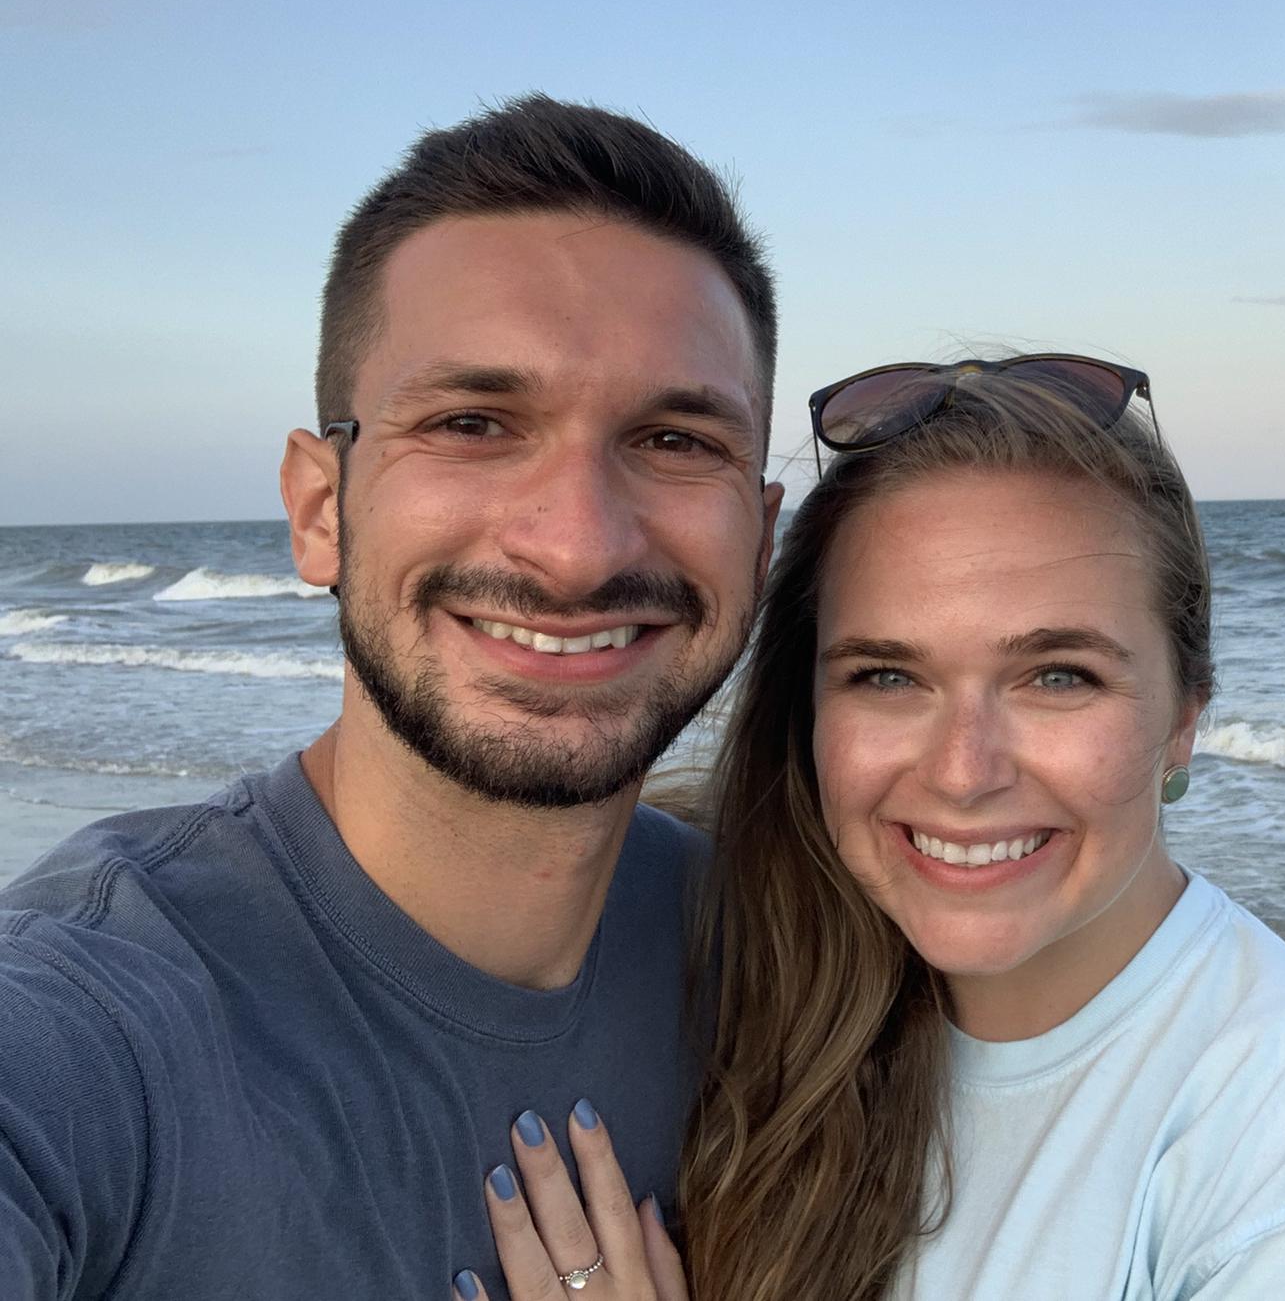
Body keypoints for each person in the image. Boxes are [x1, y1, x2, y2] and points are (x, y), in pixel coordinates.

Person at [472, 355, 1285, 1299]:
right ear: (811, 714)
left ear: (1182, 715)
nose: (963, 771)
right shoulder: (764, 988)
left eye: (1057, 676)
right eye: (888, 676)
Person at [0, 96, 784, 1297]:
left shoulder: (790, 972)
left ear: (761, 538)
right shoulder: (96, 1017)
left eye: (677, 441)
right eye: (473, 423)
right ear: (322, 508)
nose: (575, 547)